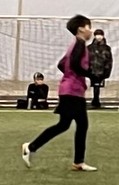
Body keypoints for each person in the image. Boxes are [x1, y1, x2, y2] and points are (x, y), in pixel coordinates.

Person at [21, 14, 97, 171]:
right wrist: (90, 74)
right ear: (81, 29)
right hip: (72, 91)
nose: (91, 30)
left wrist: (71, 76)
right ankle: (78, 162)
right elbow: (74, 64)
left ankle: (31, 147)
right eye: (89, 27)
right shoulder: (80, 43)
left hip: (69, 89)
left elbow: (62, 64)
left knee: (64, 125)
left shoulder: (75, 44)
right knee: (82, 124)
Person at [88, 29, 113, 109]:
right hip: (92, 70)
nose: (99, 37)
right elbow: (86, 59)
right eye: (97, 35)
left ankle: (96, 100)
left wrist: (107, 71)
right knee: (95, 85)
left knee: (97, 85)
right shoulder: (89, 48)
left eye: (100, 35)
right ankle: (95, 100)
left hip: (102, 70)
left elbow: (109, 60)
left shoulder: (107, 48)